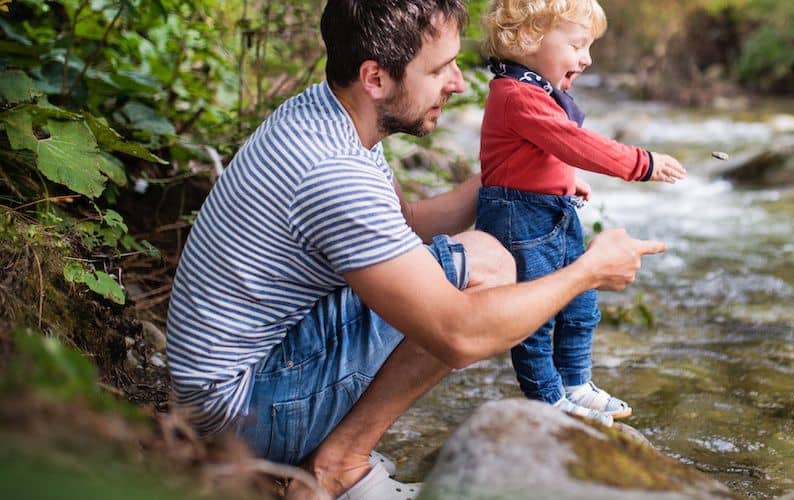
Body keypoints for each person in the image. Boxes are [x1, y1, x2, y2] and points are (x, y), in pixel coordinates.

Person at [165, 0, 667, 498]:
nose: (459, 83)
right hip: (243, 413)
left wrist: (516, 173)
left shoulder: (327, 114)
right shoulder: (334, 172)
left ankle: (328, 445)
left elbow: (406, 226)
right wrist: (588, 270)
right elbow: (458, 333)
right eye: (440, 68)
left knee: (462, 261)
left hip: (232, 388)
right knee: (489, 263)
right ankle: (337, 465)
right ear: (376, 78)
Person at [476, 0, 686, 426]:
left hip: (552, 207)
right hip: (521, 216)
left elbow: (545, 150)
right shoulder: (516, 94)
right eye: (577, 45)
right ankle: (547, 398)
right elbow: (570, 140)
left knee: (581, 300)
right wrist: (640, 163)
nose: (587, 58)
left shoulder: (535, 90)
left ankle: (575, 382)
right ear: (529, 38)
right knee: (534, 315)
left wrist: (565, 179)